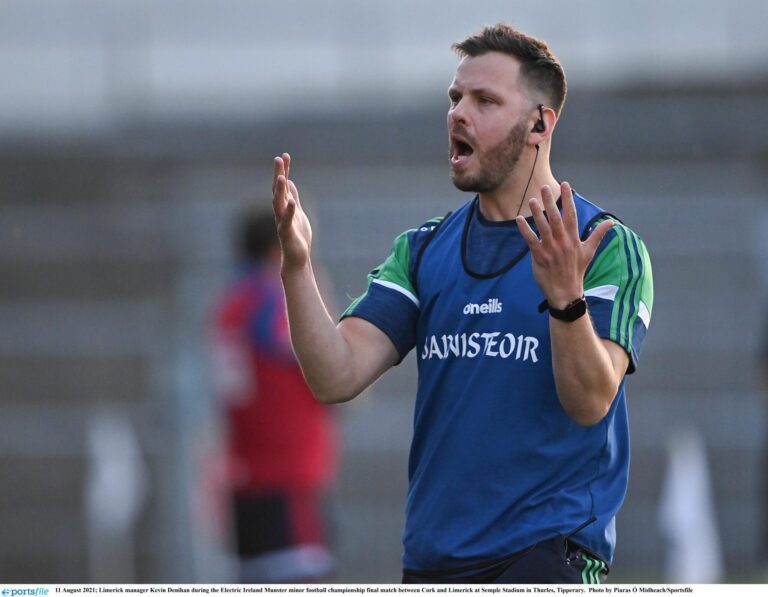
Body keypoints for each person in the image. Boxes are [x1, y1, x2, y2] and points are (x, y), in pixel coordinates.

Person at [272, 24, 653, 584]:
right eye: (455, 98)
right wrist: (297, 267)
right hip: (432, 564)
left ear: (540, 124)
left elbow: (591, 400)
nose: (457, 113)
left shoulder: (604, 245)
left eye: (485, 100)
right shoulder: (424, 249)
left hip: (545, 559)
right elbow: (336, 375)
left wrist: (566, 301)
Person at [210, 207, 337, 583]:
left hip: (245, 478)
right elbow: (333, 372)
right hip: (289, 477)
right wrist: (318, 294)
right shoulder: (279, 302)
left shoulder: (229, 306)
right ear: (278, 248)